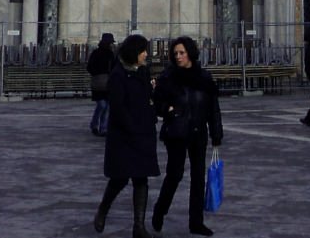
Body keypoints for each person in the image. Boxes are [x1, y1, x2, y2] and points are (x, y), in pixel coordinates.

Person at [152, 36, 223, 237]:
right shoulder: (168, 78)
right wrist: (168, 110)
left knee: (198, 177)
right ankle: (160, 210)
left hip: (198, 132)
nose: (178, 57)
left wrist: (217, 132)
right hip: (176, 131)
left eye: (182, 53)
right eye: (175, 54)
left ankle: (196, 222)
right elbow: (157, 103)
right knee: (175, 174)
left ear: (190, 53)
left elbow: (213, 108)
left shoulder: (204, 78)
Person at [92, 33, 160, 238]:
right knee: (119, 179)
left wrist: (152, 98)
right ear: (134, 52)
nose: (146, 54)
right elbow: (118, 108)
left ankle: (138, 226)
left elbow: (148, 98)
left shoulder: (143, 72)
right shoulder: (118, 75)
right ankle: (103, 209)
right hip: (124, 135)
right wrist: (132, 128)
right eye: (143, 50)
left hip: (143, 133)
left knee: (141, 179)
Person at [88, 32, 116, 136]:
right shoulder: (96, 53)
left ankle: (103, 127)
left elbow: (114, 67)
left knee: (106, 106)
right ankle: (95, 125)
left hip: (107, 83)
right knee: (102, 105)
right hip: (99, 83)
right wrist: (97, 73)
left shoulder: (110, 54)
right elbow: (90, 67)